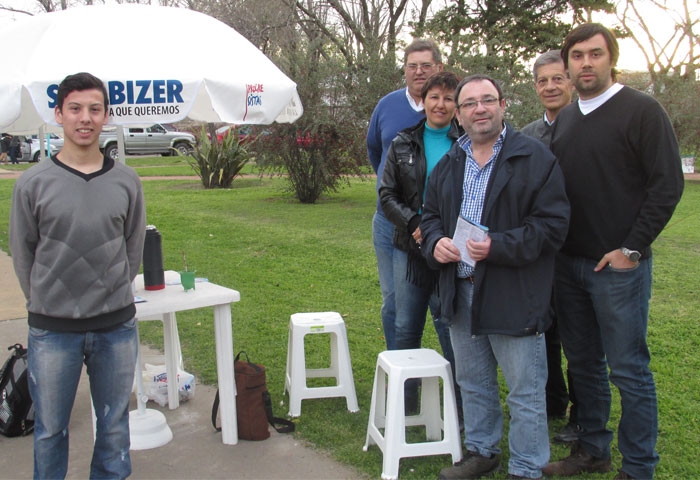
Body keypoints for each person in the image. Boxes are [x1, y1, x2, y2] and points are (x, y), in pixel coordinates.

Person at [543, 24, 684, 480]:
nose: (586, 63)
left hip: (618, 269)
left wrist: (632, 249)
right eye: (577, 55)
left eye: (595, 54)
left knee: (629, 370)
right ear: (567, 65)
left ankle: (639, 466)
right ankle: (593, 451)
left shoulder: (642, 110)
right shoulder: (566, 119)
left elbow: (667, 186)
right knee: (583, 365)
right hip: (570, 265)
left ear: (610, 59)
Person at [421, 74, 570, 480]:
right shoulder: (451, 161)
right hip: (461, 291)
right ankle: (482, 451)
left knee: (525, 390)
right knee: (473, 381)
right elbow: (430, 216)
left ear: (503, 106)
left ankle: (526, 467)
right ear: (459, 112)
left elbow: (553, 226)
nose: (479, 109)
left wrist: (498, 246)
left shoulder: (534, 158)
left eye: (488, 100)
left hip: (512, 292)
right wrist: (435, 242)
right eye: (469, 103)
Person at [10, 72, 146, 479]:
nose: (85, 118)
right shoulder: (32, 184)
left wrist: (114, 295)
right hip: (53, 332)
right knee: (50, 431)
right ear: (58, 114)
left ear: (106, 116)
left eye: (94, 109)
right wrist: (43, 304)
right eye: (75, 108)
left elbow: (132, 247)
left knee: (115, 428)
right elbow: (23, 253)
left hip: (115, 329)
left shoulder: (127, 181)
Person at [379, 71, 462, 414]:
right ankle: (406, 402)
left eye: (448, 98)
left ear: (457, 104)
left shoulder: (467, 141)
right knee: (406, 325)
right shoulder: (403, 142)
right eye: (434, 97)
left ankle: (459, 404)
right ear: (423, 101)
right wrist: (414, 223)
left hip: (451, 249)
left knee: (450, 327)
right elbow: (387, 194)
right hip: (410, 248)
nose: (440, 104)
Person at [367, 38, 443, 351]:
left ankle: (456, 383)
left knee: (443, 308)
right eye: (412, 66)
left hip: (438, 224)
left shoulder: (447, 106)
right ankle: (400, 375)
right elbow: (375, 150)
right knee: (394, 305)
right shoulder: (387, 105)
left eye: (426, 65)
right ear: (405, 70)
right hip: (389, 223)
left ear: (438, 68)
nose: (419, 71)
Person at [520, 49, 580, 444]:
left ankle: (583, 414)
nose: (550, 86)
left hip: (582, 248)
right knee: (546, 328)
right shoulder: (527, 135)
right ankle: (551, 399)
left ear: (571, 81)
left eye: (558, 78)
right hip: (541, 250)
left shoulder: (589, 126)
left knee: (579, 336)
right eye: (543, 80)